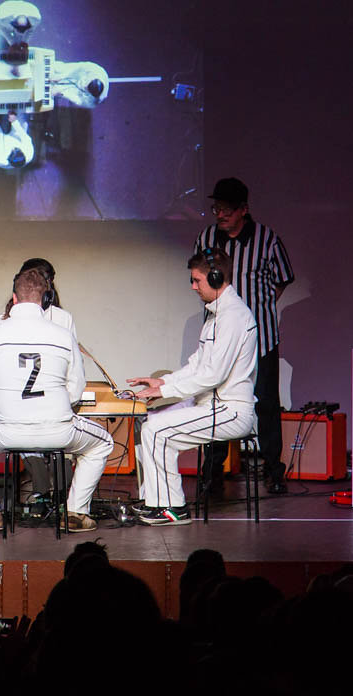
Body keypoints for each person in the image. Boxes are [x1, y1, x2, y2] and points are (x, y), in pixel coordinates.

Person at [0, 267, 113, 534]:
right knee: (103, 443)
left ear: (14, 298)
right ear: (45, 299)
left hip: (7, 432)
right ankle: (75, 512)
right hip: (59, 431)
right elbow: (76, 389)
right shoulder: (64, 336)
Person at [127, 249, 258, 525]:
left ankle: (172, 507)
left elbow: (213, 375)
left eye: (197, 280)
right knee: (146, 422)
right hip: (211, 405)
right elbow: (197, 365)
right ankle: (154, 499)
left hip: (230, 411)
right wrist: (164, 382)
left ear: (216, 277)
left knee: (156, 430)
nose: (193, 286)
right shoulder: (216, 315)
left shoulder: (233, 317)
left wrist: (164, 392)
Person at [194, 177, 295, 493]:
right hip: (219, 340)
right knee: (215, 402)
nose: (219, 214)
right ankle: (213, 473)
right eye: (216, 208)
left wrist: (256, 308)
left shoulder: (267, 240)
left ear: (243, 210)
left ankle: (273, 471)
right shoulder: (208, 238)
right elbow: (198, 277)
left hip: (261, 338)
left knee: (266, 403)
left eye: (226, 209)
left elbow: (282, 280)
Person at [0, 257, 80, 500]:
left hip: (38, 405)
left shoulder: (62, 319)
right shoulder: (4, 321)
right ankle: (53, 494)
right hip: (34, 406)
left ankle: (53, 493)